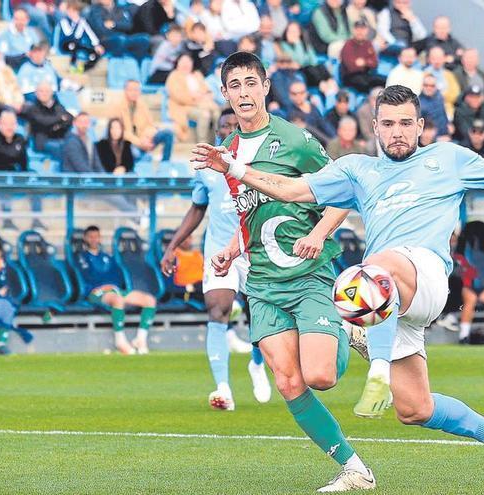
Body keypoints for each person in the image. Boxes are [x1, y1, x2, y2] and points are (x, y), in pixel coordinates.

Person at [193, 83, 484, 492]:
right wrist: (232, 167)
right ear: (375, 127)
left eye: (406, 123)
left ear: (421, 126)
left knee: (372, 268)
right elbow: (290, 188)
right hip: (389, 300)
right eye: (389, 123)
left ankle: (373, 366)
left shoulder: (447, 158)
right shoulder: (358, 169)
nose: (398, 131)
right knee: (415, 408)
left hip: (423, 275)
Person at [188, 52, 376, 491]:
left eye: (250, 82)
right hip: (264, 284)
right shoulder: (229, 153)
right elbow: (251, 212)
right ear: (225, 95)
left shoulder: (295, 140)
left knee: (320, 376)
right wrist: (232, 249)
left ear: (266, 86)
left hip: (309, 273)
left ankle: (346, 331)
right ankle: (354, 469)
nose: (244, 92)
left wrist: (320, 232)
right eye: (234, 86)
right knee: (289, 382)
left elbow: (343, 194)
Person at [160, 116, 270, 410]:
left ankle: (257, 363)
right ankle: (223, 388)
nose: (226, 131)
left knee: (260, 315)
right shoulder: (207, 170)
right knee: (218, 310)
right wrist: (172, 247)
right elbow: (197, 209)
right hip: (219, 251)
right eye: (221, 127)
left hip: (252, 248)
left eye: (231, 126)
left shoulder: (256, 162)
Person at [77, 225, 158, 355]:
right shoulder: (82, 257)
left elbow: (117, 275)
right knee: (118, 299)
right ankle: (120, 341)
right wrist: (104, 285)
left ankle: (140, 339)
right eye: (91, 237)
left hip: (114, 290)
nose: (94, 240)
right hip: (96, 292)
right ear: (85, 238)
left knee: (149, 300)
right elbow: (88, 276)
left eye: (97, 236)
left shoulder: (107, 257)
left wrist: (113, 286)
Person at [0, 110, 44, 231]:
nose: (9, 127)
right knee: (4, 186)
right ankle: (7, 221)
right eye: (6, 123)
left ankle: (36, 220)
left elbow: (23, 162)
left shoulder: (19, 139)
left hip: (14, 176)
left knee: (35, 183)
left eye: (12, 123)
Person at [166, 53, 221, 143]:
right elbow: (179, 97)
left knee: (217, 113)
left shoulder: (197, 74)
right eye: (183, 61)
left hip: (203, 103)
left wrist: (205, 96)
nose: (186, 64)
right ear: (177, 63)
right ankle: (202, 144)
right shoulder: (174, 76)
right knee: (205, 115)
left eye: (188, 61)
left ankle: (219, 142)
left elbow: (207, 90)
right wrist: (196, 98)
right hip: (183, 107)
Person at [116, 79, 174, 162]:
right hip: (129, 142)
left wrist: (146, 138)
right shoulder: (118, 107)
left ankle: (165, 164)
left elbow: (150, 125)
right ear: (125, 91)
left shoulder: (142, 105)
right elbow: (121, 132)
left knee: (168, 133)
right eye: (131, 90)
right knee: (134, 152)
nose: (134, 92)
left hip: (144, 138)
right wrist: (139, 142)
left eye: (136, 90)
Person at [20, 81, 74, 157]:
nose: (44, 93)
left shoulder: (57, 106)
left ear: (52, 93)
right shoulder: (32, 109)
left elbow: (70, 118)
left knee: (75, 144)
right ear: (36, 93)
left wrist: (58, 124)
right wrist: (60, 119)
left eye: (47, 91)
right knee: (65, 149)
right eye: (41, 91)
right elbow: (44, 122)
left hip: (60, 138)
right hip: (43, 142)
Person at [279, 21, 333, 89]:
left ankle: (331, 84)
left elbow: (313, 60)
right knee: (309, 69)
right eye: (290, 31)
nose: (293, 34)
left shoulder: (305, 43)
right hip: (300, 71)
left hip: (311, 67)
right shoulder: (284, 45)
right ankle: (323, 87)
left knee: (320, 66)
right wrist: (297, 43)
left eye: (295, 31)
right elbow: (300, 62)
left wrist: (301, 45)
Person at [339, 20, 386, 93]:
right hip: (350, 77)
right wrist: (367, 62)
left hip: (366, 74)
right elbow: (351, 67)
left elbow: (375, 63)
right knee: (364, 84)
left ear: (367, 31)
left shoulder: (368, 44)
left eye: (362, 29)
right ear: (353, 31)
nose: (360, 32)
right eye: (357, 29)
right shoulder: (348, 45)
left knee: (385, 80)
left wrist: (364, 62)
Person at [58, 0, 105, 70]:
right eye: (69, 11)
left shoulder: (83, 21)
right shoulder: (64, 21)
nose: (71, 13)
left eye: (74, 11)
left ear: (78, 12)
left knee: (94, 53)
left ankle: (84, 68)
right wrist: (78, 23)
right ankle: (73, 64)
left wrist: (96, 44)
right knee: (73, 45)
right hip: (66, 44)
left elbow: (90, 33)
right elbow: (69, 34)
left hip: (77, 44)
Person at [422, 46, 460, 117]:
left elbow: (455, 94)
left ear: (444, 58)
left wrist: (439, 96)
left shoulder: (449, 75)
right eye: (434, 58)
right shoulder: (423, 74)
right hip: (427, 109)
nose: (437, 61)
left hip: (447, 110)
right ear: (429, 59)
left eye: (439, 58)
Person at [418, 73, 449, 140]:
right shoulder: (418, 104)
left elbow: (444, 114)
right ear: (422, 86)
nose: (429, 88)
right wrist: (437, 138)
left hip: (446, 135)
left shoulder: (439, 97)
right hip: (432, 140)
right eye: (426, 85)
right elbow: (421, 130)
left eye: (432, 85)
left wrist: (449, 125)